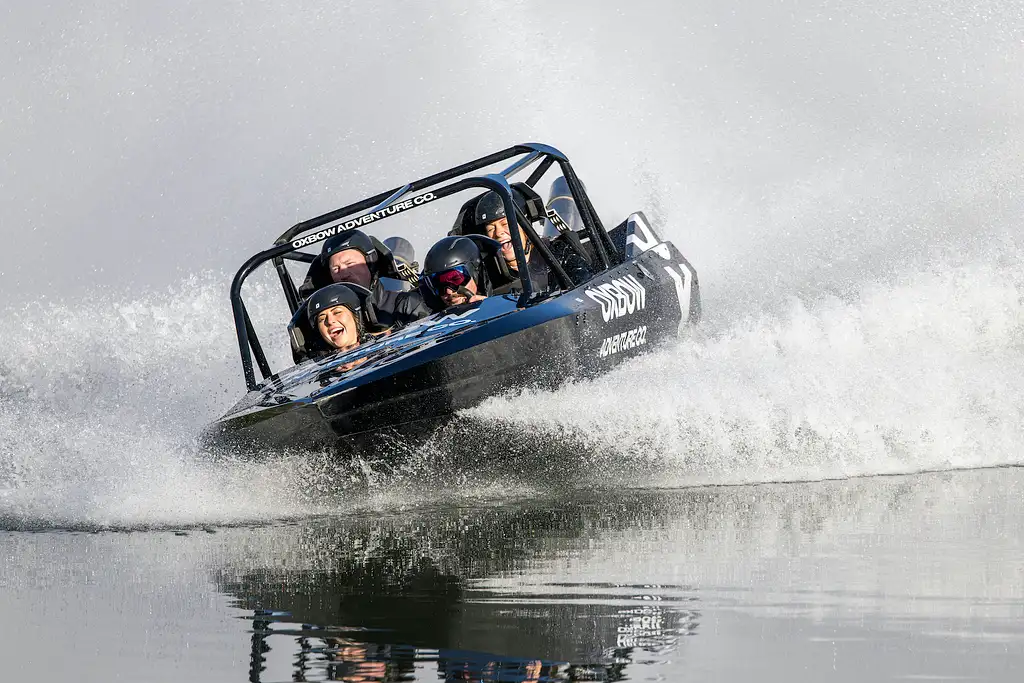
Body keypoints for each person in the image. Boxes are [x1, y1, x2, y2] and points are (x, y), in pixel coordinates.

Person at [302, 229, 431, 327]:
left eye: (350, 264)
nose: (343, 273)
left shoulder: (406, 305)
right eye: (336, 269)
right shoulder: (325, 323)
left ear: (371, 263)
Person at [469, 191, 550, 292]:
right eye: (490, 229)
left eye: (505, 223)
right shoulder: (486, 278)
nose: (498, 233)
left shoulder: (555, 253)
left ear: (525, 224)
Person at [421, 236, 490, 310]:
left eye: (456, 279)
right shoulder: (428, 314)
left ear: (475, 273)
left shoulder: (502, 299)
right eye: (440, 286)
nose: (449, 291)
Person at [306, 282, 371, 354]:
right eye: (321, 319)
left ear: (356, 317)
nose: (330, 321)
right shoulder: (316, 364)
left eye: (337, 313)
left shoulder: (384, 348)